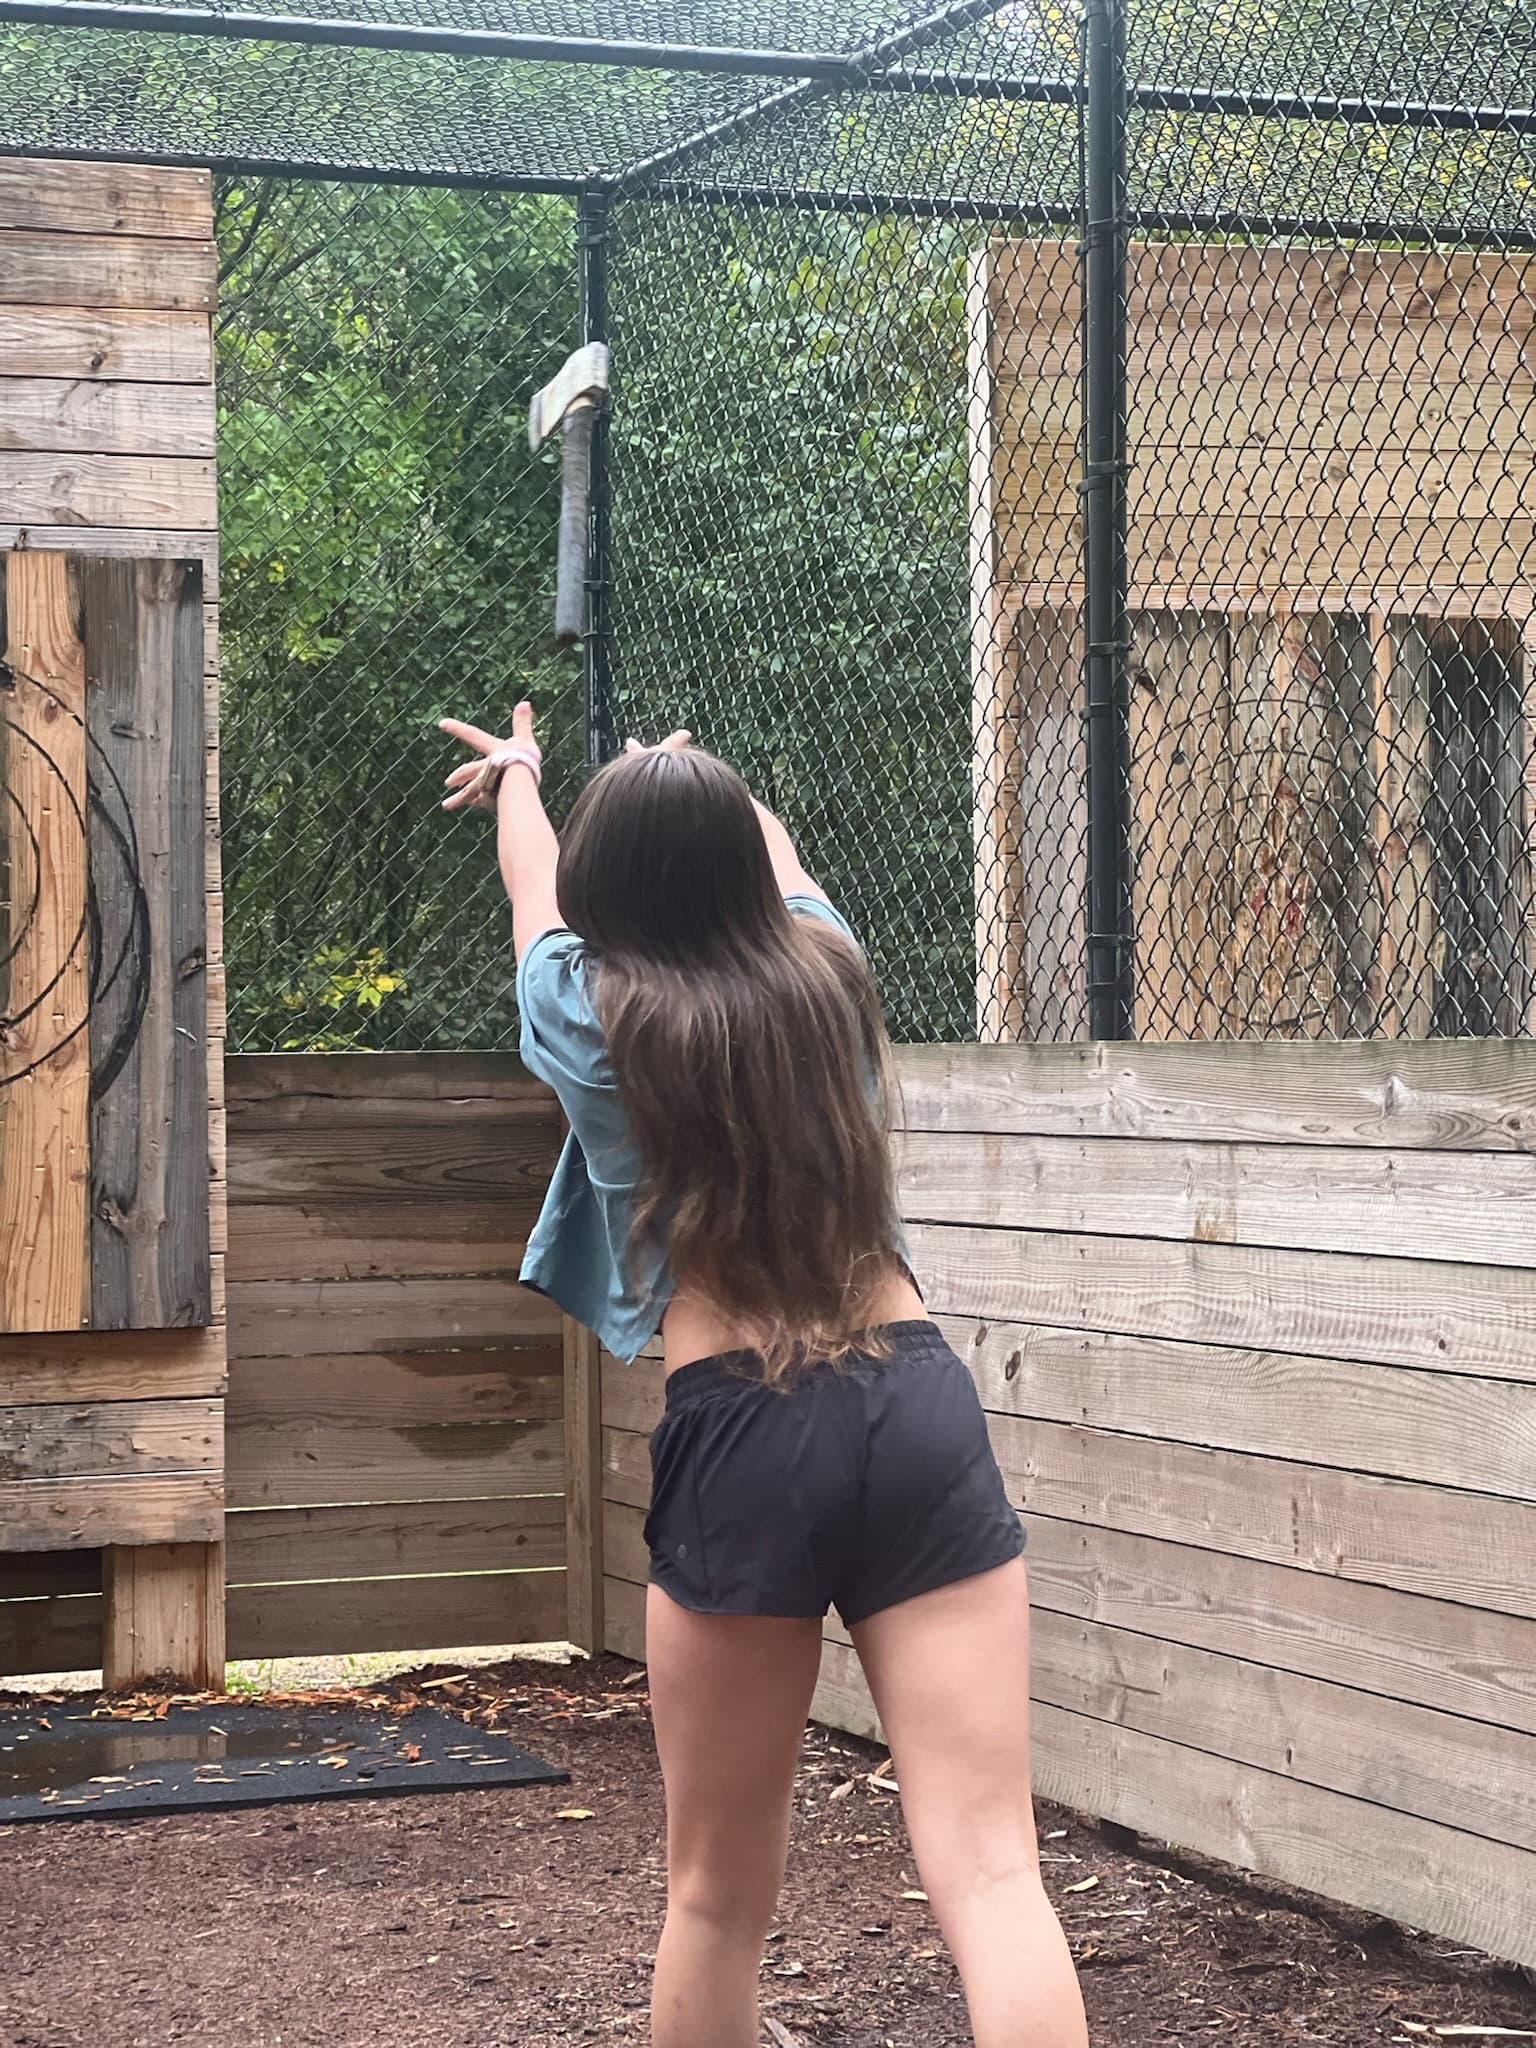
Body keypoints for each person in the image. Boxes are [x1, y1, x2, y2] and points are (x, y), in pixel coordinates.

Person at [440, 702, 1089, 2048]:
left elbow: (529, 879)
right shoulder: (830, 973)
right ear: (743, 867)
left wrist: (522, 776)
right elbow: (781, 863)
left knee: (718, 1898)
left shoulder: (588, 1015)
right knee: (995, 1870)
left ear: (603, 895)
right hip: (915, 1402)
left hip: (743, 1430)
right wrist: (707, 777)